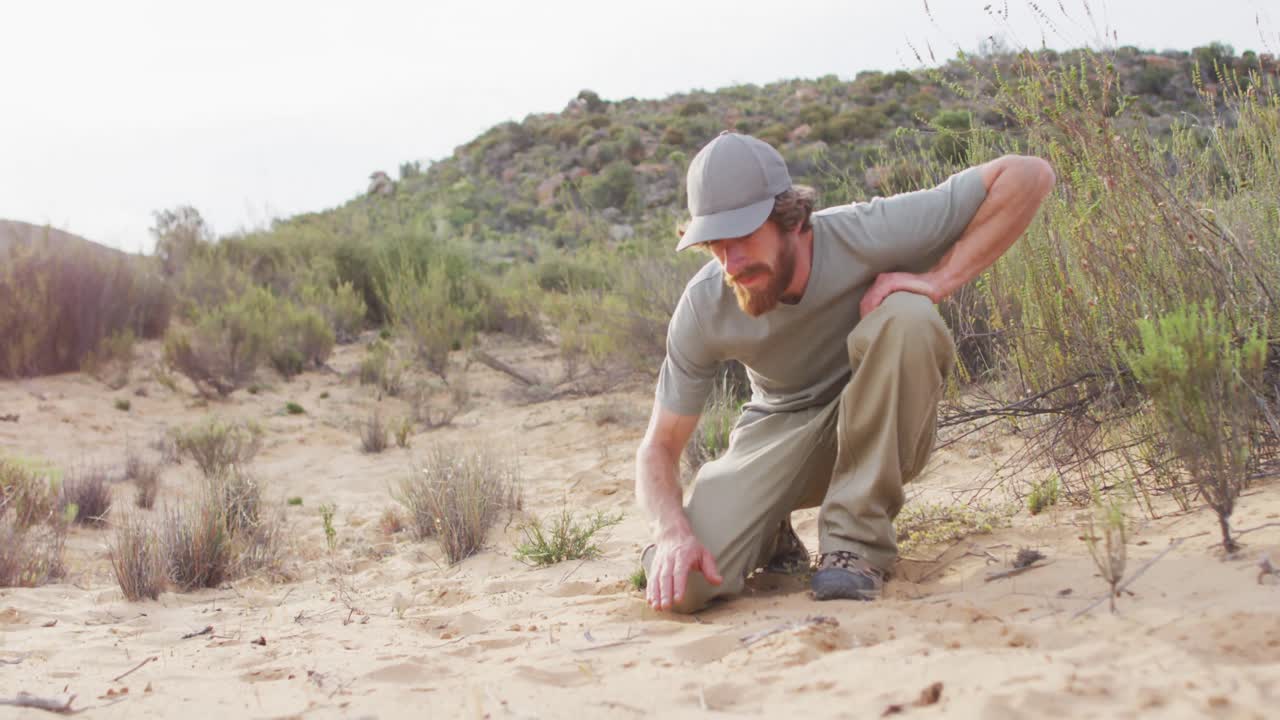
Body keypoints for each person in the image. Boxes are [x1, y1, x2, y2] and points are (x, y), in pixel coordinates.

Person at [635, 131, 1054, 613]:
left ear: (791, 220)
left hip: (880, 424)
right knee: (686, 587)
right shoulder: (705, 303)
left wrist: (937, 282)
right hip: (778, 436)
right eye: (714, 244)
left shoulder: (865, 232)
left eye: (744, 236)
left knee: (909, 316)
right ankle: (771, 532)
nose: (731, 262)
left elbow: (1029, 175)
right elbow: (659, 446)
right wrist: (670, 533)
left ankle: (855, 545)